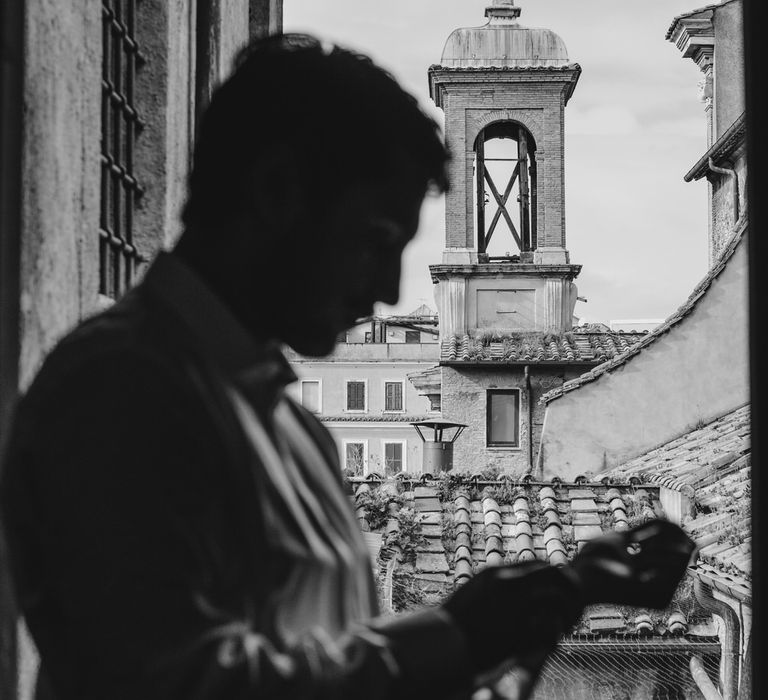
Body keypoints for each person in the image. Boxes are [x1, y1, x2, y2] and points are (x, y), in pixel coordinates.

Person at [0, 34, 695, 700]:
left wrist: (555, 596)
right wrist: (460, 632)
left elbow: (330, 661)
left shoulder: (289, 431)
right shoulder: (116, 395)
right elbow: (169, 686)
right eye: (375, 238)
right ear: (277, 194)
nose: (391, 290)